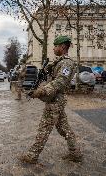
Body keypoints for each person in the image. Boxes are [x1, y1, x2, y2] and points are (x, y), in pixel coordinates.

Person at [19, 36, 83, 164]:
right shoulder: (59, 62)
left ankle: (32, 156)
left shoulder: (67, 63)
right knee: (64, 128)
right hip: (55, 99)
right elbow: (53, 78)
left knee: (44, 128)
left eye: (55, 46)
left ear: (63, 47)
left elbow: (60, 82)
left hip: (55, 100)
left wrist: (41, 91)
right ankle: (75, 153)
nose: (53, 48)